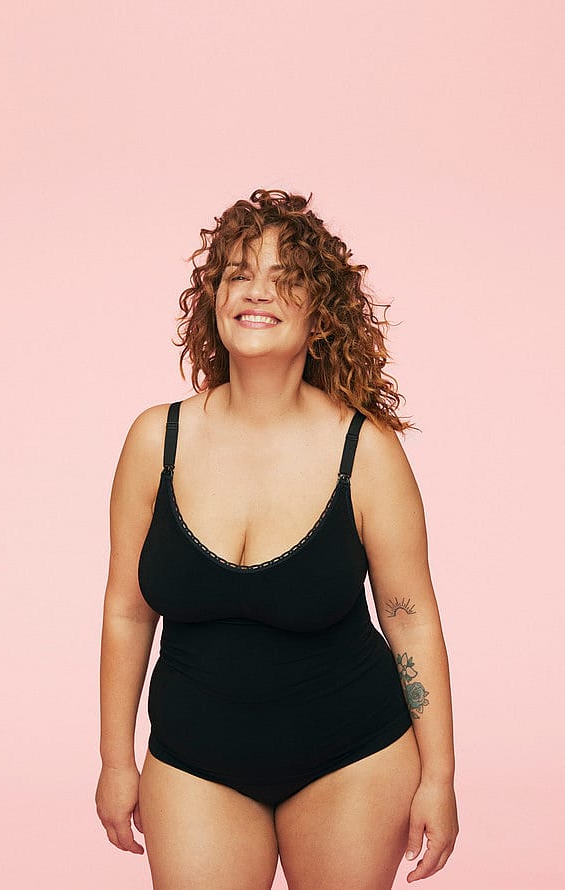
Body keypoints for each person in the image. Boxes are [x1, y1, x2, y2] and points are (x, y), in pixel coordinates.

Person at [95, 188, 458, 889]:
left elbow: (410, 619)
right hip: (193, 762)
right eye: (238, 274)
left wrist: (438, 776)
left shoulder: (367, 452)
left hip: (352, 759)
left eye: (284, 278)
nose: (256, 291)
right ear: (214, 299)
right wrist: (115, 761)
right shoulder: (155, 441)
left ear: (320, 314)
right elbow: (127, 611)